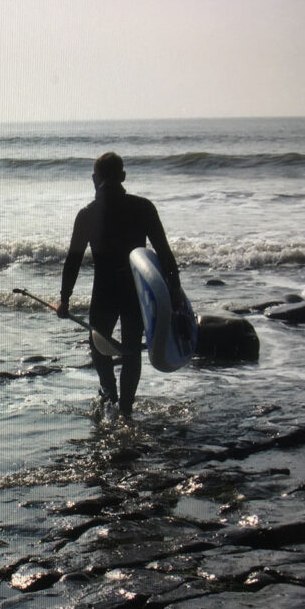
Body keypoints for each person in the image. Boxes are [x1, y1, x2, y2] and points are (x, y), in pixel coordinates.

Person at [56, 152, 182, 418]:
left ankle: (109, 393)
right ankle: (125, 409)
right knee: (132, 350)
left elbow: (73, 261)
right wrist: (175, 291)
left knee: (98, 345)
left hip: (104, 290)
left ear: (94, 179)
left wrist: (64, 298)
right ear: (123, 177)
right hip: (136, 291)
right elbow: (164, 254)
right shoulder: (143, 207)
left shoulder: (87, 214)